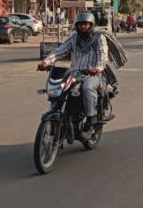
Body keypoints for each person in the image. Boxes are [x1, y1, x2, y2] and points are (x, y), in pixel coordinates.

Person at [37, 11, 119, 139]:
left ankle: (90, 121)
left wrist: (97, 68)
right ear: (76, 25)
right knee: (61, 88)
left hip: (96, 75)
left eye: (86, 24)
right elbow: (60, 51)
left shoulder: (99, 37)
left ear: (91, 24)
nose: (83, 27)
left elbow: (103, 56)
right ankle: (57, 115)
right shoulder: (74, 37)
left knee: (87, 87)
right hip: (75, 73)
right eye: (80, 24)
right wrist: (46, 62)